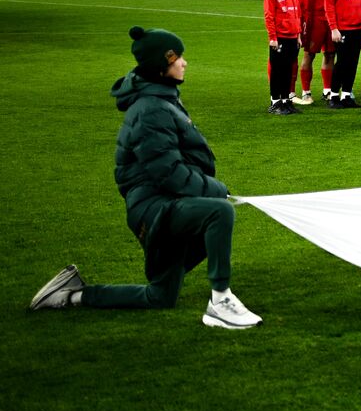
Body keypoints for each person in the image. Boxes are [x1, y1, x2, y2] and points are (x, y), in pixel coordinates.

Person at [29, 27, 261, 328]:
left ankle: (72, 296)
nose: (184, 63)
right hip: (154, 208)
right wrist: (218, 191)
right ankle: (221, 299)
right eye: (177, 58)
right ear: (160, 67)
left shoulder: (159, 99)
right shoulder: (151, 109)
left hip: (164, 202)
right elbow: (167, 172)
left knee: (160, 297)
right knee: (218, 213)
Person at [264, 0, 302, 115]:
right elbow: (269, 16)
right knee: (277, 70)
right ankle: (275, 101)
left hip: (293, 37)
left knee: (288, 70)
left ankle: (286, 101)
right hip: (280, 38)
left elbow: (297, 15)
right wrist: (273, 37)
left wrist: (298, 35)